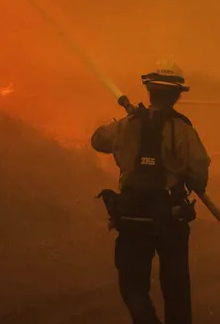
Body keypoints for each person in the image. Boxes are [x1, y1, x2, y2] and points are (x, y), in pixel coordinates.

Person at [91, 61, 211, 324]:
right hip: (171, 217)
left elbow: (97, 140)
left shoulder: (126, 125)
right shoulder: (183, 130)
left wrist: (128, 122)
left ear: (149, 91)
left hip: (133, 217)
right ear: (177, 95)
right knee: (176, 289)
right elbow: (199, 172)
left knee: (133, 287)